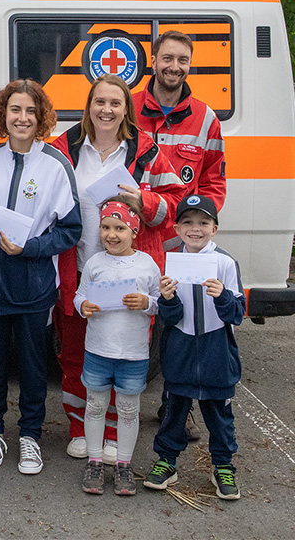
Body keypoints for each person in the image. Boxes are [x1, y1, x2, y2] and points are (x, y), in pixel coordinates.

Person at [51, 74, 185, 465]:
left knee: (124, 357)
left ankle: (112, 431)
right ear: (88, 106)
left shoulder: (145, 151)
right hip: (79, 273)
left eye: (115, 103)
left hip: (129, 275)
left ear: (126, 109)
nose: (106, 110)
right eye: (99, 102)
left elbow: (174, 203)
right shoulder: (65, 149)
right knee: (76, 355)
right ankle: (80, 428)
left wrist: (143, 199)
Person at [0, 80, 81, 474]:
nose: (22, 118)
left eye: (30, 111)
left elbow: (71, 229)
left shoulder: (55, 165)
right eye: (14, 110)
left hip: (34, 286)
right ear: (3, 115)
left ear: (41, 118)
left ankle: (31, 435)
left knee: (35, 365)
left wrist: (30, 248)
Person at [133, 30, 228, 440]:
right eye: (167, 58)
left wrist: (195, 229)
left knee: (180, 330)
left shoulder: (206, 118)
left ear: (190, 65)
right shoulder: (129, 106)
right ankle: (122, 406)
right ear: (153, 61)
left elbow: (213, 183)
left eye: (183, 60)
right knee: (132, 319)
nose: (174, 67)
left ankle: (175, 407)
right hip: (135, 241)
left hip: (181, 249)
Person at [144, 195, 245, 500]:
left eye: (203, 222)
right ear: (176, 227)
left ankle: (223, 467)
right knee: (175, 411)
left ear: (215, 228)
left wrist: (223, 296)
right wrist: (168, 298)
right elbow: (170, 317)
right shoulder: (172, 260)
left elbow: (237, 315)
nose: (195, 228)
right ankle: (167, 462)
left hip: (216, 352)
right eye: (187, 222)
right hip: (181, 350)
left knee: (219, 417)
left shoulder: (225, 263)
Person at [75, 196, 160, 495]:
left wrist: (146, 302)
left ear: (135, 231)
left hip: (133, 353)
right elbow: (79, 296)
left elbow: (159, 304)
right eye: (105, 227)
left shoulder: (147, 264)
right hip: (98, 350)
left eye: (120, 228)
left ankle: (124, 464)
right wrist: (83, 305)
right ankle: (95, 460)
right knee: (95, 406)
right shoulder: (95, 263)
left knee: (127, 409)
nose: (111, 234)